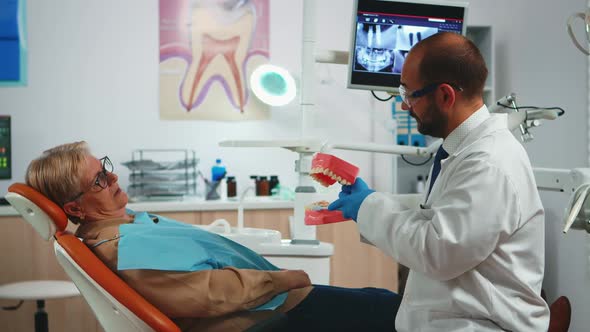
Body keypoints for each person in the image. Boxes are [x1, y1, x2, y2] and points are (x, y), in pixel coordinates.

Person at [25, 141, 401, 332]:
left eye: (105, 168)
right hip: (267, 315)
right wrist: (284, 278)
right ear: (74, 208)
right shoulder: (126, 246)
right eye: (98, 181)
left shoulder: (125, 226)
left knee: (384, 303)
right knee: (392, 311)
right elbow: (207, 293)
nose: (113, 178)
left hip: (271, 305)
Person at [328, 32, 550, 331]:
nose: (406, 106)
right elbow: (442, 217)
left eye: (410, 94)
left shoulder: (487, 162)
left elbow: (439, 251)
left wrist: (368, 207)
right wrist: (372, 202)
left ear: (445, 95)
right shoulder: (465, 151)